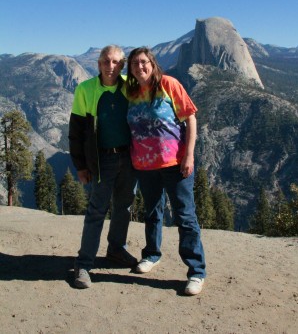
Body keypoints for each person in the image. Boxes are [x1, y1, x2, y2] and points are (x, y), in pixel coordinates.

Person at [125, 47, 206, 296]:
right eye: (135, 63)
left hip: (175, 164)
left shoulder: (168, 84)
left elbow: (190, 117)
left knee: (185, 217)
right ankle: (151, 255)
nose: (140, 67)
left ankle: (196, 272)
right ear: (130, 69)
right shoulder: (131, 91)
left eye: (144, 62)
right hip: (144, 166)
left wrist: (189, 155)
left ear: (152, 63)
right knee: (151, 212)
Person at [69, 45, 137, 289]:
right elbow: (75, 132)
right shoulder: (85, 89)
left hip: (129, 158)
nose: (111, 67)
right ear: (99, 64)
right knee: (97, 211)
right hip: (101, 160)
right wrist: (81, 166)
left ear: (123, 65)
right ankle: (84, 263)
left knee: (124, 206)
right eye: (106, 62)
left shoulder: (130, 84)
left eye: (117, 62)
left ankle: (116, 250)